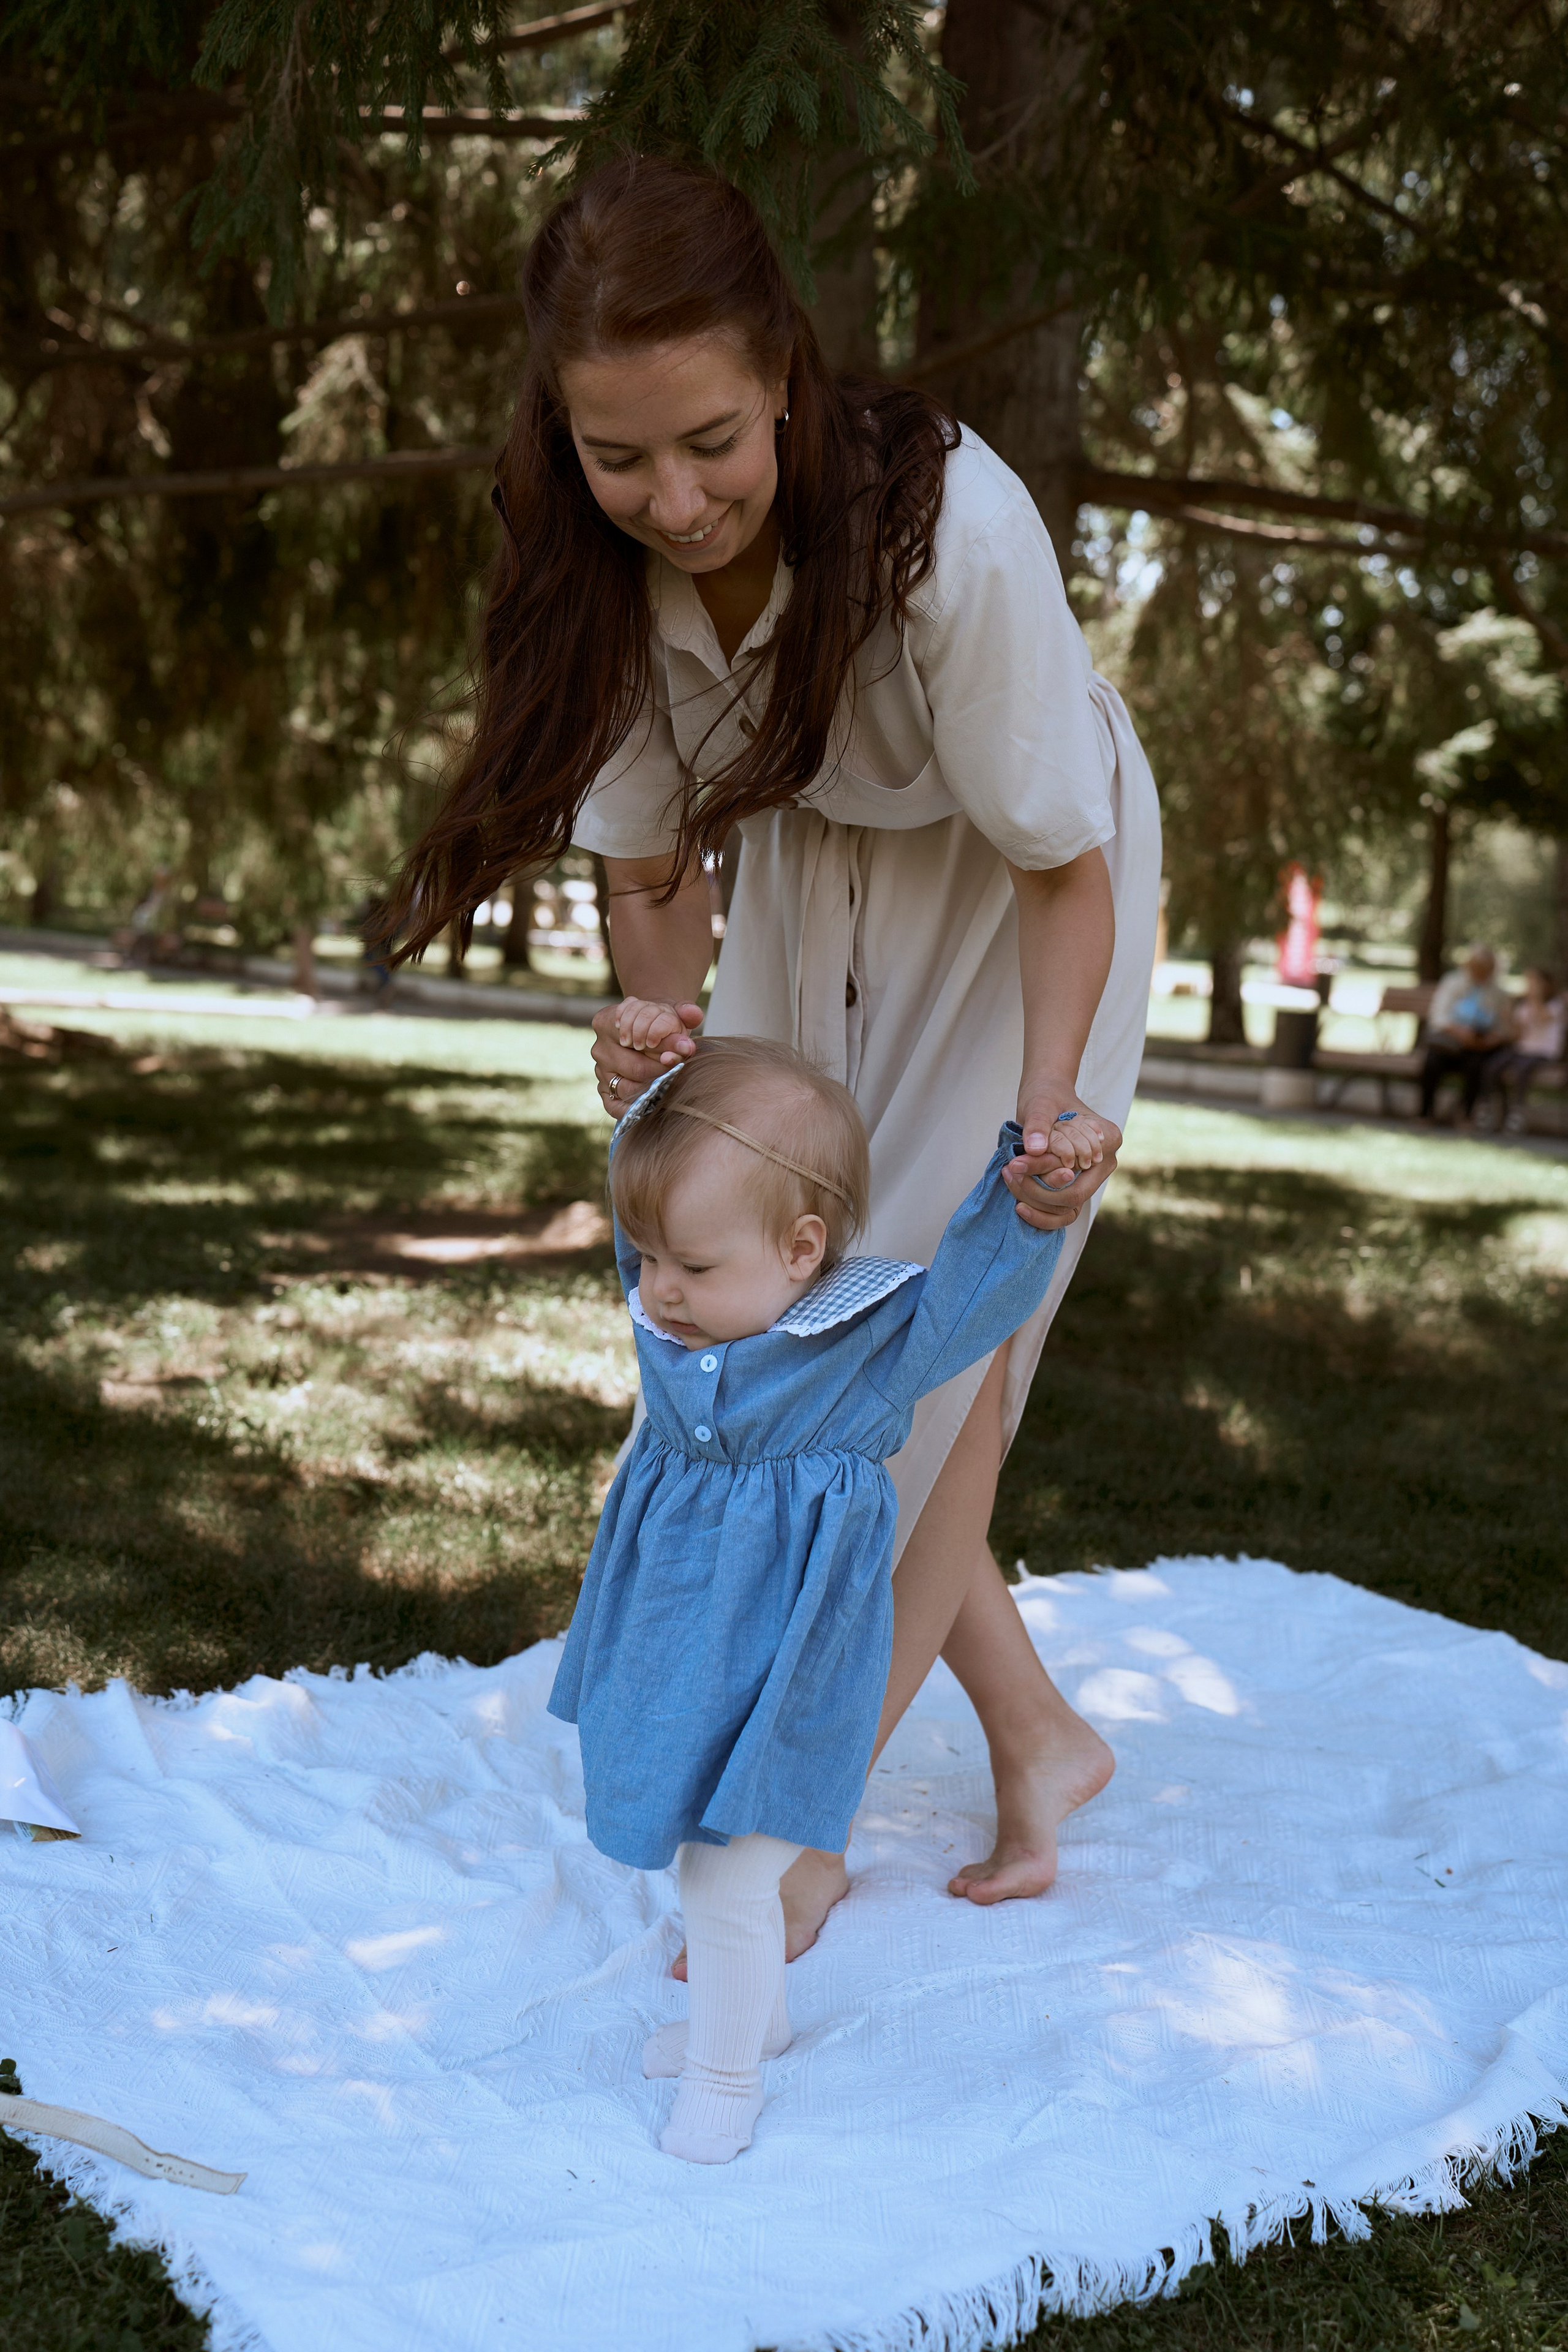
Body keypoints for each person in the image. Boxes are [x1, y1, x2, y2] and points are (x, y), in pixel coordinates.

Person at [382, 156, 1163, 1964]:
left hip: (1028, 885)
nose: (675, 498)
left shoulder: (948, 533)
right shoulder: (607, 558)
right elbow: (649, 862)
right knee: (770, 1313)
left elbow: (1060, 865)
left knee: (921, 1338)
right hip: (816, 845)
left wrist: (1046, 1122)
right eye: (618, 457)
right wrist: (675, 1068)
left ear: (786, 373)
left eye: (712, 442)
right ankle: (1043, 1738)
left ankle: (794, 1834)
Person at [550, 1036, 1075, 2161]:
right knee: (693, 1829)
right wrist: (645, 1088)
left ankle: (725, 2072)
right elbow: (645, 1192)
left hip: (787, 1659)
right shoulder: (679, 1314)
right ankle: (764, 2019)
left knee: (729, 1867)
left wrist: (1028, 1211)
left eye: (688, 1264)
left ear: (802, 1252)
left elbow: (975, 1303)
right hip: (682, 1641)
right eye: (645, 1258)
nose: (655, 1290)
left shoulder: (861, 1351)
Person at [1419, 946, 1514, 1124]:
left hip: (1479, 1046)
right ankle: (1425, 1113)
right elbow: (1439, 1016)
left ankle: (1467, 1115)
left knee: (1477, 1065)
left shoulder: (1498, 993)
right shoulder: (1453, 983)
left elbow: (1504, 1028)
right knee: (1432, 1061)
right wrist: (1459, 1032)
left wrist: (1490, 1040)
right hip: (1450, 1041)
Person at [1476, 964, 1565, 1134]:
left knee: (1522, 1069)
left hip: (1544, 1052)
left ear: (1546, 984)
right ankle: (1492, 1109)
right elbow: (1516, 1037)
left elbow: (1542, 1019)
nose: (1530, 986)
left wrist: (1536, 998)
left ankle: (1518, 1113)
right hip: (1523, 1049)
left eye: (1535, 982)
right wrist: (1509, 1019)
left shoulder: (1555, 1004)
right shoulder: (1524, 1005)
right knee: (1494, 1065)